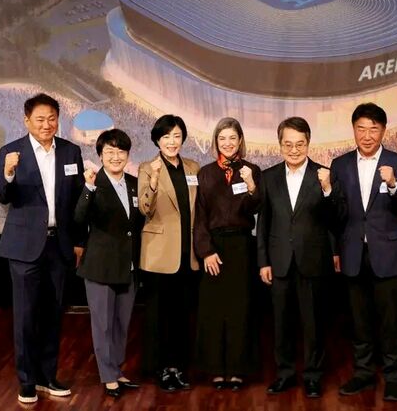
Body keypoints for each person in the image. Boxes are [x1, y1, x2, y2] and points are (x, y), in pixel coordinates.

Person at [0, 93, 84, 403]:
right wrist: (8, 172)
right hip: (23, 248)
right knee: (25, 316)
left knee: (53, 314)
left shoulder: (71, 152)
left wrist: (78, 241)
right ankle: (26, 381)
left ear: (58, 120)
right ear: (27, 121)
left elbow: (76, 202)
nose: (47, 124)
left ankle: (48, 376)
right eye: (40, 119)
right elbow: (3, 195)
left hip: (58, 245)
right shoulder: (11, 152)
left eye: (52, 119)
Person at [330, 103, 397, 401]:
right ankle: (363, 373)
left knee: (391, 322)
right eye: (361, 129)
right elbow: (336, 215)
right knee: (359, 320)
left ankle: (393, 376)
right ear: (354, 130)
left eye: (373, 129)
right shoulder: (340, 165)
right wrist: (335, 251)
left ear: (383, 131)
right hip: (353, 253)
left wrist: (393, 183)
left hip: (388, 254)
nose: (367, 136)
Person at [257, 116, 341, 399]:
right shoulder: (268, 177)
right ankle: (284, 374)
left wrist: (328, 190)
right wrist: (263, 261)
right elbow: (264, 223)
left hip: (313, 261)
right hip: (279, 261)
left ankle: (313, 376)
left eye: (300, 144)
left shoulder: (323, 175)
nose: (294, 150)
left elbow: (336, 219)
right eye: (288, 144)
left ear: (308, 143)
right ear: (280, 145)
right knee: (281, 324)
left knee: (313, 323)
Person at [73, 129, 144, 398]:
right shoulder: (93, 183)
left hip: (128, 266)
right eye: (110, 152)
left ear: (128, 155)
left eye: (121, 151)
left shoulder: (135, 183)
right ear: (100, 155)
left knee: (122, 324)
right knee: (103, 324)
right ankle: (107, 375)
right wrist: (88, 188)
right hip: (100, 266)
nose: (116, 157)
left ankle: (117, 369)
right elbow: (78, 218)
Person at [193, 118, 262, 390]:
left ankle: (236, 369)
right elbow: (200, 216)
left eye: (232, 138)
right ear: (216, 142)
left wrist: (252, 185)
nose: (228, 143)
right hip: (214, 247)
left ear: (240, 140)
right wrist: (206, 251)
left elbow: (257, 208)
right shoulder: (206, 173)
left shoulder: (252, 170)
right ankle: (216, 369)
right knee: (213, 309)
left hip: (242, 246)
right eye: (222, 138)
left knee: (240, 308)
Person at [137, 115, 201, 392]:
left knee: (182, 315)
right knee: (159, 317)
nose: (172, 142)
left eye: (176, 136)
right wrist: (153, 181)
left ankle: (179, 368)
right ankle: (161, 369)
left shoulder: (193, 167)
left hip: (188, 254)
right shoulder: (147, 168)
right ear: (157, 140)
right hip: (159, 254)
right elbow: (144, 208)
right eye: (166, 137)